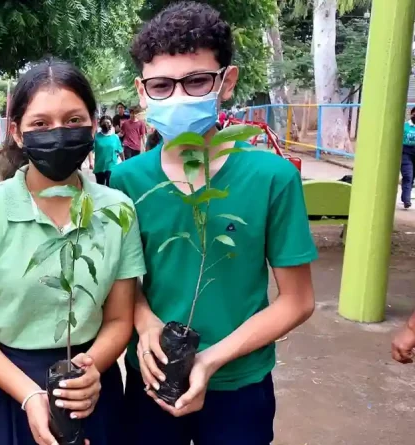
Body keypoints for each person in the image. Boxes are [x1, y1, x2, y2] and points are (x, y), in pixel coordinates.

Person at [111, 3, 317, 444]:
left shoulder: (271, 179)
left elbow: (297, 300)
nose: (179, 97)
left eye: (197, 81)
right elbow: (124, 282)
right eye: (162, 85)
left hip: (239, 384)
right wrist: (145, 323)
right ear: (142, 91)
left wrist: (210, 360)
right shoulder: (127, 180)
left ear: (227, 82)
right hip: (151, 379)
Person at [0, 58, 146, 445]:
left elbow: (120, 318)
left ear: (93, 123)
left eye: (74, 120)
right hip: (3, 386)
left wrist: (90, 370)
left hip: (88, 388)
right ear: (17, 133)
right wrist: (28, 395)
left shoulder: (116, 209)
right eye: (40, 124)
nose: (58, 134)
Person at [88, 115, 123, 186]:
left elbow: (120, 151)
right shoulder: (96, 137)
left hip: (111, 165)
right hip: (99, 166)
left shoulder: (115, 137)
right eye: (104, 123)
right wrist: (91, 161)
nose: (106, 124)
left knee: (109, 186)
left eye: (108, 122)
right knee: (100, 187)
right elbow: (91, 150)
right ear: (100, 124)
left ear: (111, 124)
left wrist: (124, 162)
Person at [400, 107, 415, 209]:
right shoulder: (405, 127)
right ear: (412, 114)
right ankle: (406, 200)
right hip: (406, 154)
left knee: (412, 177)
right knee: (408, 176)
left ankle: (405, 196)